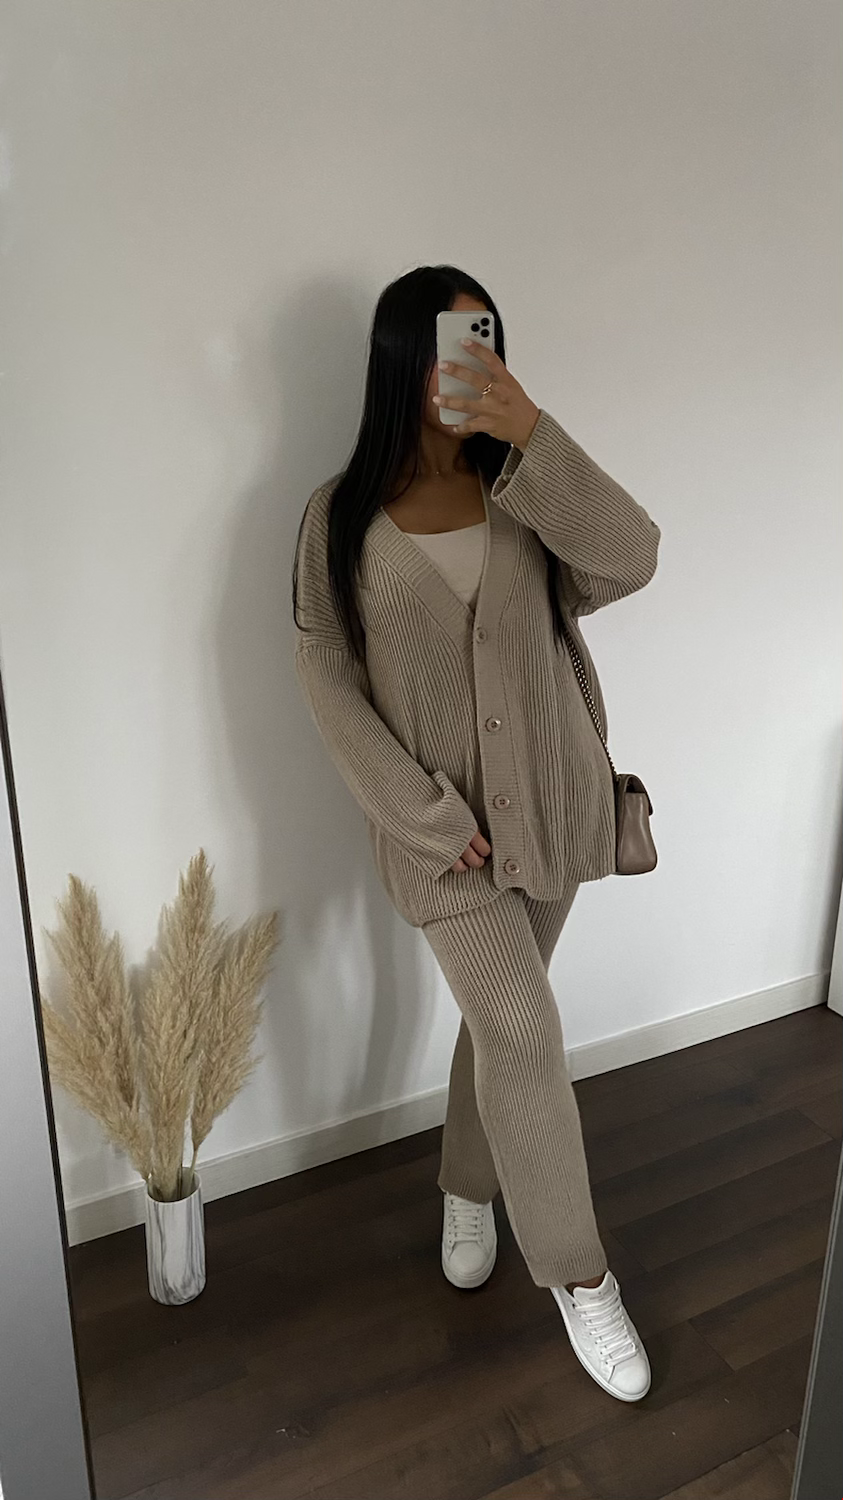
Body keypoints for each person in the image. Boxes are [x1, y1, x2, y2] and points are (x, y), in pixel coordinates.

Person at [292, 264, 661, 1402]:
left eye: (488, 340)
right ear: (404, 357)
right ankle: (582, 1277)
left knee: (503, 1029)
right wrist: (418, 814)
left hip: (551, 806)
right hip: (444, 841)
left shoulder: (524, 487)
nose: (474, 362)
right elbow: (327, 679)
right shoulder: (338, 515)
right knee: (522, 1027)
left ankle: (466, 1185)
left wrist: (533, 430)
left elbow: (633, 556)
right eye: (455, 343)